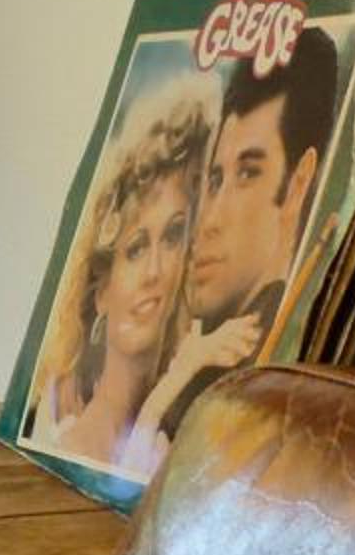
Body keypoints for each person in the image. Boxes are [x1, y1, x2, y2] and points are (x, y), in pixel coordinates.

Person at [143, 23, 341, 445]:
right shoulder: (209, 357)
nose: (209, 220)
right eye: (215, 180)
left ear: (298, 184)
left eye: (249, 173)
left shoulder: (258, 365)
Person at [24, 93, 211, 472]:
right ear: (102, 291)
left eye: (172, 236)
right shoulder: (71, 440)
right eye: (136, 249)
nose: (154, 271)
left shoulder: (176, 438)